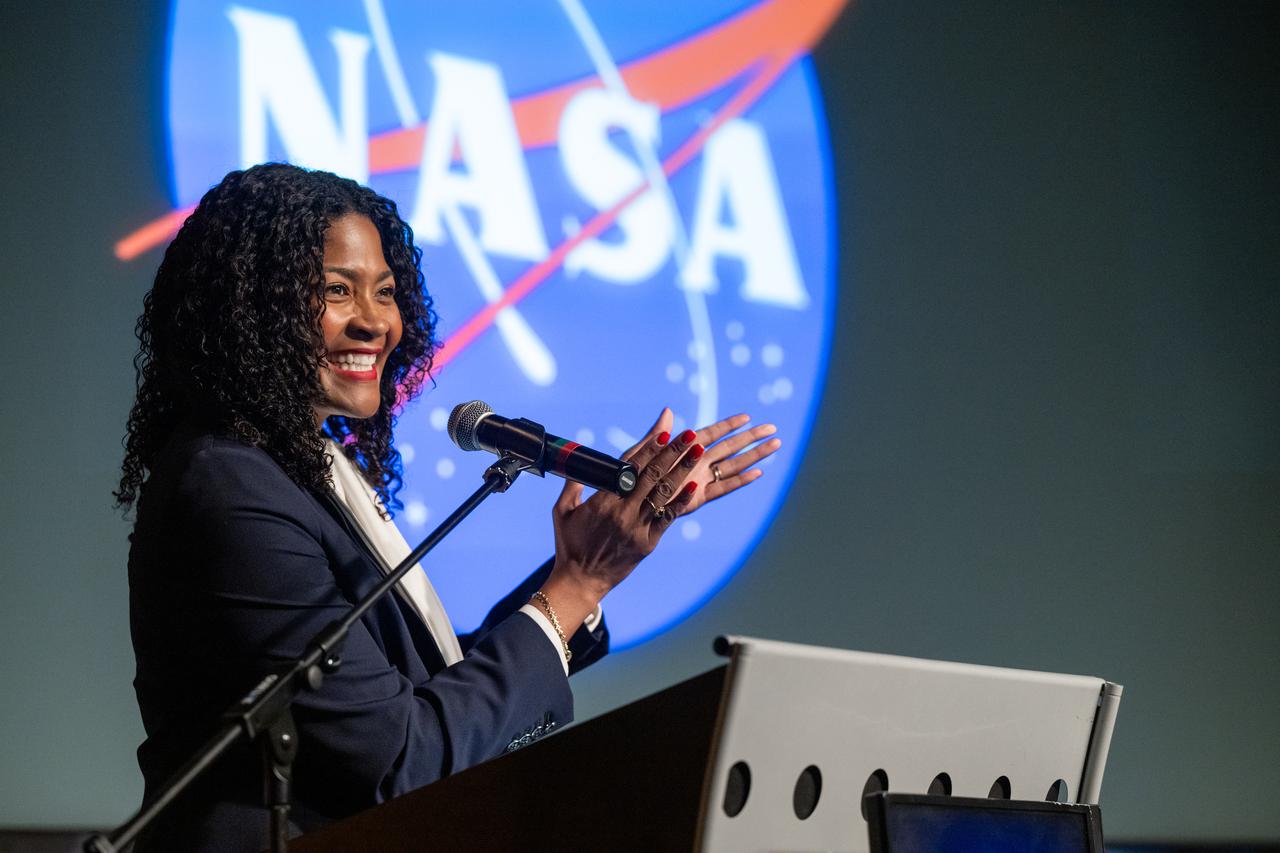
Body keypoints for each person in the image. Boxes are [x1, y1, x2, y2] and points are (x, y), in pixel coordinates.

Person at [116, 163, 780, 851]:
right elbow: (400, 758)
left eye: (385, 292)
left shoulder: (296, 464)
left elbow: (413, 696)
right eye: (337, 291)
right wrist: (576, 582)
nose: (375, 322)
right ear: (254, 304)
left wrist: (579, 581)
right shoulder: (231, 485)